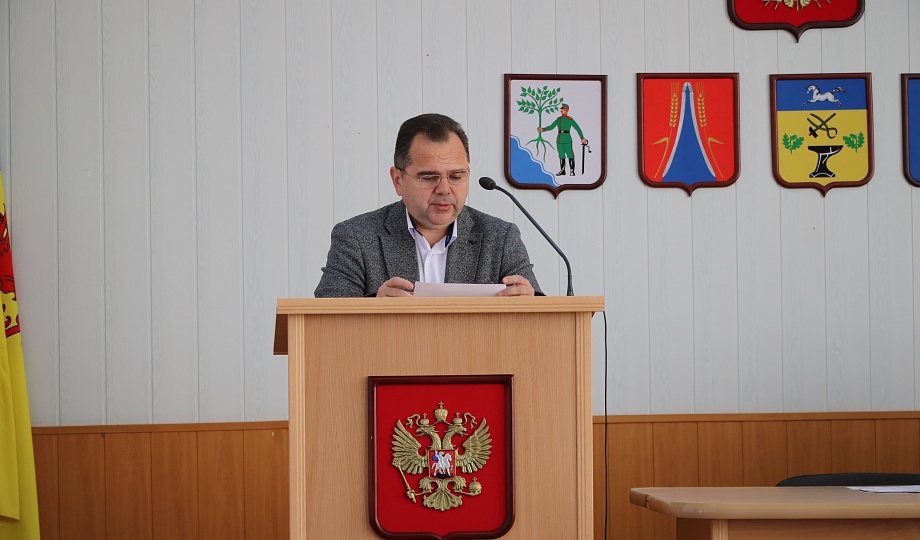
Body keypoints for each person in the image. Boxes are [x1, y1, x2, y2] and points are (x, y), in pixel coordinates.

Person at [314, 113, 542, 298]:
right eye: (429, 177)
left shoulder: (501, 238)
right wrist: (374, 309)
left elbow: (539, 314)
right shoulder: (356, 237)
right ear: (398, 180)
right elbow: (327, 318)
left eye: (456, 176)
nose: (444, 189)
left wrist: (529, 305)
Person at [537, 103, 588, 176]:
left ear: (566, 110)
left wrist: (582, 137)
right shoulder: (558, 119)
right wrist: (543, 129)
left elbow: (577, 128)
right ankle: (562, 170)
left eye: (563, 109)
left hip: (567, 139)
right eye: (561, 109)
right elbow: (551, 127)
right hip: (559, 140)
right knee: (561, 155)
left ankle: (572, 171)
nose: (561, 111)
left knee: (570, 155)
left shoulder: (570, 119)